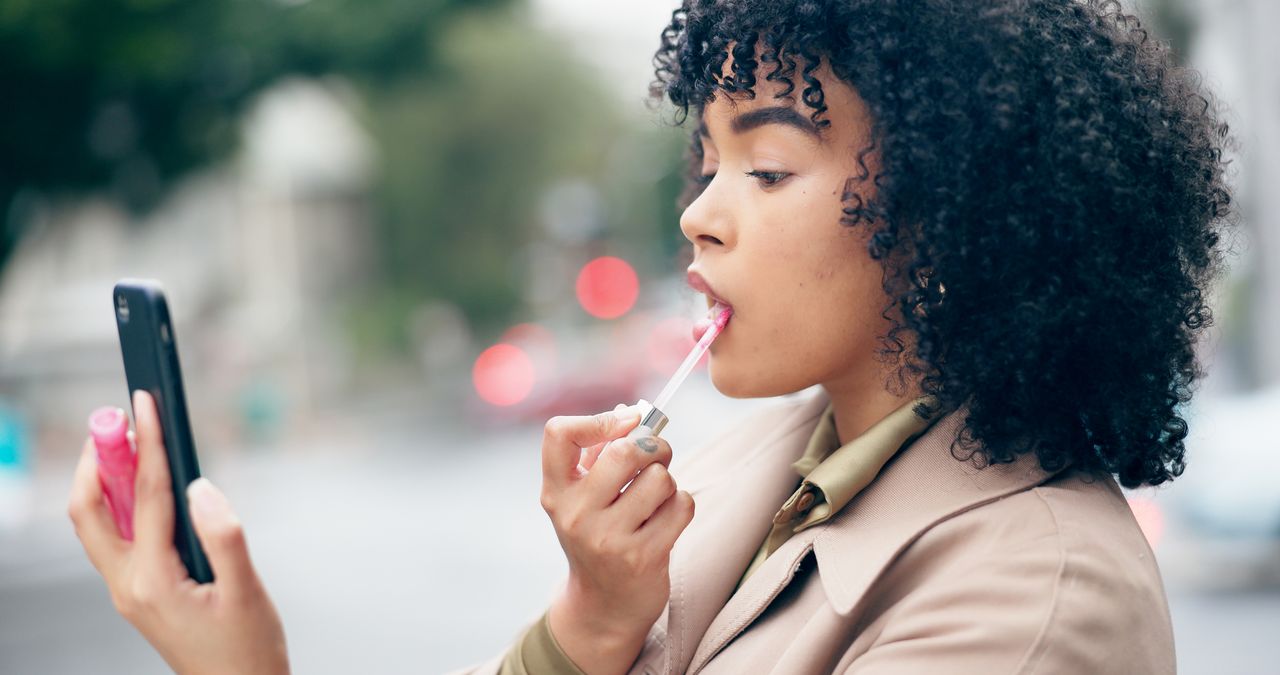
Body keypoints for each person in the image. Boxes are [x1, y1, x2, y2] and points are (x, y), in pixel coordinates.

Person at [68, 0, 1236, 673]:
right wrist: (586, 622)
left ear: (958, 213)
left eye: (766, 165)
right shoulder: (755, 469)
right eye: (706, 158)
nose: (696, 211)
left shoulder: (1034, 598)